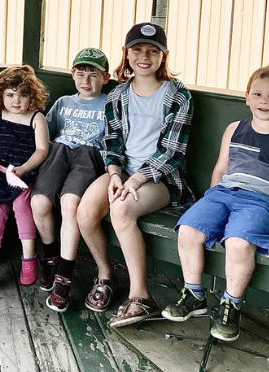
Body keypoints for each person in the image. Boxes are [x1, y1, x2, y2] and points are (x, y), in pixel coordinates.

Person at [163, 66, 269, 341]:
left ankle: (231, 304)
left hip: (262, 201)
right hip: (224, 194)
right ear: (247, 97)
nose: (264, 101)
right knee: (188, 230)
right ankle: (194, 295)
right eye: (258, 94)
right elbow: (221, 168)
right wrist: (211, 202)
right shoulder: (235, 129)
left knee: (238, 243)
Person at [76, 22, 194, 328]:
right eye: (137, 49)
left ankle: (141, 297)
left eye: (153, 51)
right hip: (124, 171)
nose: (145, 56)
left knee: (122, 208)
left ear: (163, 56)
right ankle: (106, 275)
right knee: (86, 211)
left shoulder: (177, 95)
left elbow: (172, 152)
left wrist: (136, 180)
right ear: (127, 54)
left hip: (160, 179)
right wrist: (115, 174)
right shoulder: (118, 95)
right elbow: (111, 144)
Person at [30, 48, 111, 311]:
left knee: (69, 204)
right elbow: (45, 136)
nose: (86, 81)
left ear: (106, 78)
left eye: (93, 75)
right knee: (40, 203)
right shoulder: (64, 103)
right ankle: (51, 258)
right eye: (80, 73)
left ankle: (64, 277)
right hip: (59, 151)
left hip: (89, 156)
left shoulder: (110, 104)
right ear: (73, 74)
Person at [0, 65, 50, 286]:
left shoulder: (37, 118)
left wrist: (24, 168)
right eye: (10, 95)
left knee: (22, 208)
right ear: (1, 94)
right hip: (1, 173)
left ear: (32, 96)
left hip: (24, 173)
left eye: (23, 95)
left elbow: (42, 150)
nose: (16, 101)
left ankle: (29, 258)